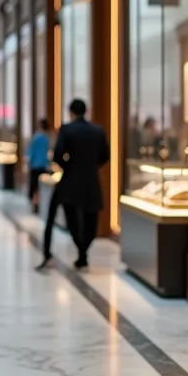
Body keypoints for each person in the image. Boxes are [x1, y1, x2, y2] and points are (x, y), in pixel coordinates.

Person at [39, 99, 109, 270]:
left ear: (71, 112)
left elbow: (57, 156)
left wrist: (68, 166)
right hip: (91, 180)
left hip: (70, 180)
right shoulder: (97, 131)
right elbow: (105, 155)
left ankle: (78, 252)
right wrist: (92, 166)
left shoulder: (67, 129)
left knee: (71, 218)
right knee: (91, 218)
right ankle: (83, 252)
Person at [27, 118, 52, 213]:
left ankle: (35, 203)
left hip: (35, 165)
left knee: (34, 185)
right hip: (43, 165)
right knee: (40, 185)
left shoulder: (36, 137)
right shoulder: (46, 138)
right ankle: (40, 203)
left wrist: (29, 164)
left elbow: (31, 152)